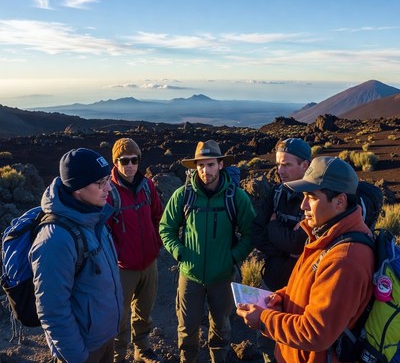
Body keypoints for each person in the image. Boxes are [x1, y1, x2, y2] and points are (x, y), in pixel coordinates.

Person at [236, 156, 375, 363]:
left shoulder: (345, 259)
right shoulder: (325, 236)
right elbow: (310, 291)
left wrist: (264, 319)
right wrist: (282, 297)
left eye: (311, 197)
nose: (303, 206)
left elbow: (315, 332)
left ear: (340, 201)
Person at [159, 140, 256, 363]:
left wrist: (233, 257)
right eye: (201, 165)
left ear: (221, 165)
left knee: (221, 327)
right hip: (189, 276)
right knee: (187, 328)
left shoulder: (235, 197)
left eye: (210, 164)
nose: (205, 171)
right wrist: (180, 253)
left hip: (222, 277)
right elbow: (166, 228)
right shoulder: (184, 195)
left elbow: (251, 232)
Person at [29, 148, 123, 363]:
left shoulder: (94, 217)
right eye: (100, 182)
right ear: (77, 188)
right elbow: (52, 310)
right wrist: (76, 357)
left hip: (104, 339)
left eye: (108, 179)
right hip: (83, 350)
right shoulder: (55, 239)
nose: (108, 187)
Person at [253, 138, 311, 362]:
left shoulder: (313, 198)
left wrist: (274, 226)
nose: (280, 170)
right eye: (278, 164)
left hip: (301, 293)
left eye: (286, 165)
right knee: (268, 341)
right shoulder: (276, 193)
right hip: (272, 284)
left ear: (305, 165)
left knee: (296, 346)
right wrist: (286, 250)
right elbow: (257, 234)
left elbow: (300, 243)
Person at [108, 138, 164, 363]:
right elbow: (105, 232)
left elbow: (158, 217)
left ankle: (143, 351)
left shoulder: (147, 186)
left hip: (149, 263)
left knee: (144, 312)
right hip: (124, 268)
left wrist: (156, 244)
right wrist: (118, 257)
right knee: (120, 317)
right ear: (116, 161)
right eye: (124, 160)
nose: (130, 165)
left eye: (134, 160)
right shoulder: (109, 192)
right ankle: (118, 356)